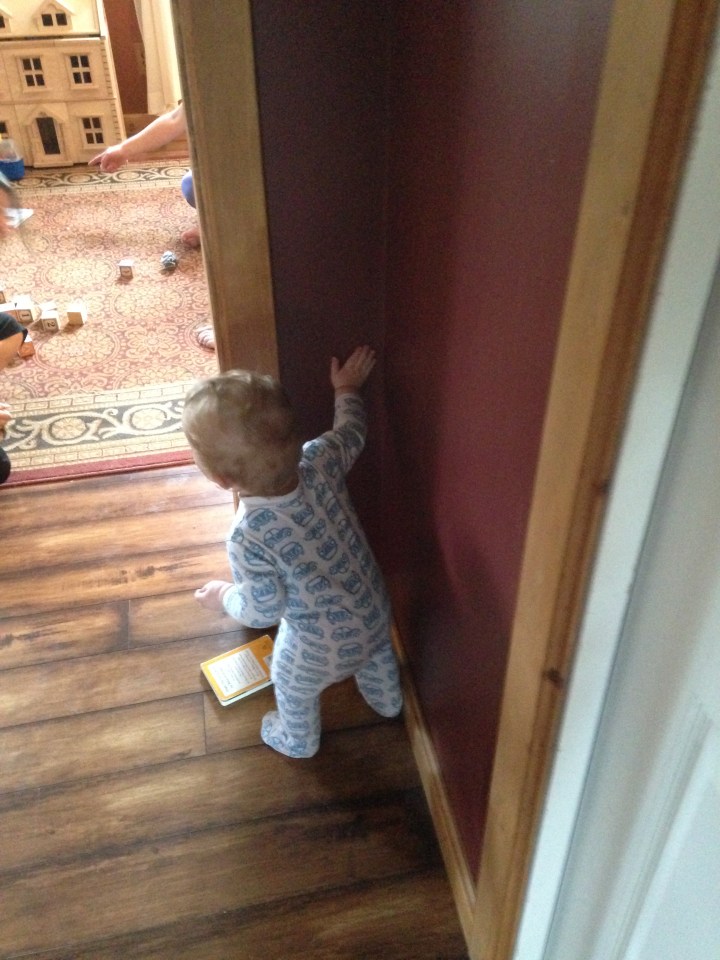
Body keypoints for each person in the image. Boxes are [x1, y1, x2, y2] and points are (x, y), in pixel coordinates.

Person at [183, 345, 403, 758]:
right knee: (375, 649)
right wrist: (346, 390)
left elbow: (262, 609)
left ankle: (296, 740)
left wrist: (223, 596)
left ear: (220, 479)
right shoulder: (320, 457)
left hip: (321, 645)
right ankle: (388, 700)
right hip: (375, 608)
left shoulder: (248, 536)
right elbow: (352, 432)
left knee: (290, 682)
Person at [88, 104, 216, 352]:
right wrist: (123, 150)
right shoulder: (204, 87)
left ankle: (235, 326)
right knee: (193, 184)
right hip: (220, 173)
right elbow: (175, 119)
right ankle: (211, 223)